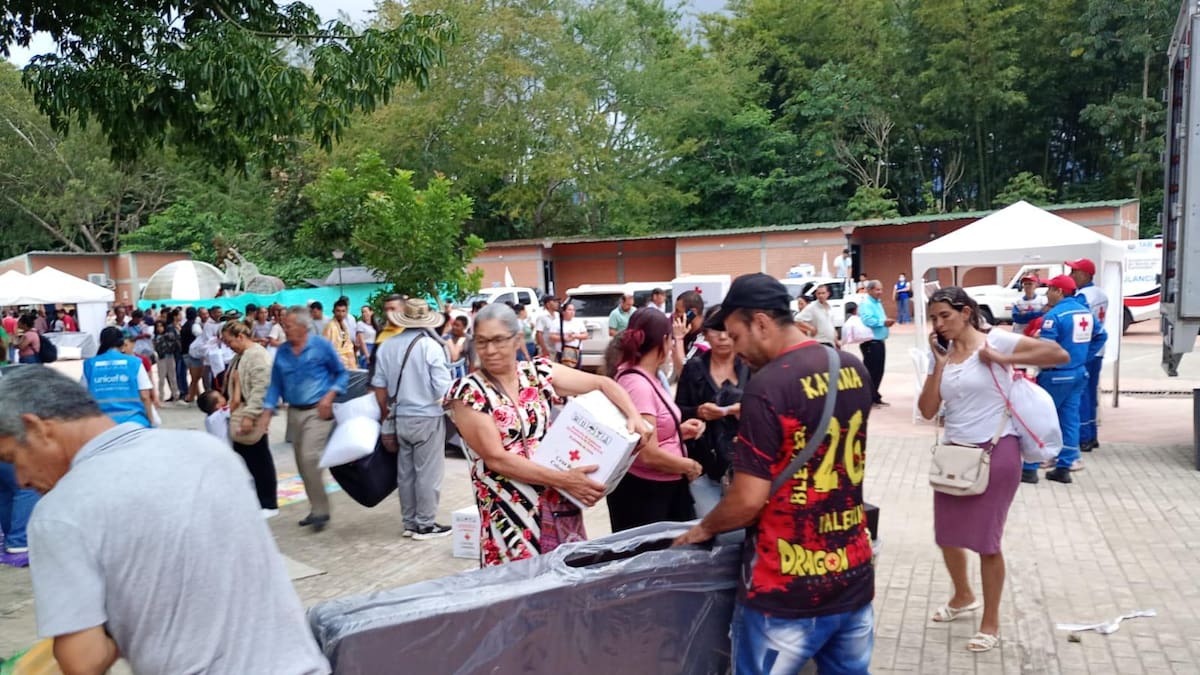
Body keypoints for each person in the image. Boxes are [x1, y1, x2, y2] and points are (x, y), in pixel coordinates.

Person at [0, 367, 330, 675]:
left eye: (12, 459)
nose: (21, 478)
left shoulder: (59, 513)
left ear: (37, 427)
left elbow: (82, 660)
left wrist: (123, 609)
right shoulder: (207, 451)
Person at [673, 273, 875, 675]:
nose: (736, 349)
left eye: (737, 334)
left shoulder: (768, 386)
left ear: (761, 322)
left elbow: (748, 501)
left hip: (785, 585)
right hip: (852, 574)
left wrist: (703, 529)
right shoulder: (852, 368)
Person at [918, 287, 1068, 654]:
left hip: (997, 450)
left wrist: (1000, 357)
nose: (939, 324)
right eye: (934, 318)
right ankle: (963, 595)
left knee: (986, 542)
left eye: (945, 316)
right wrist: (938, 365)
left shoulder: (996, 338)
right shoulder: (943, 352)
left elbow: (1058, 354)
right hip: (955, 456)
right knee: (947, 535)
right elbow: (926, 410)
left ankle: (991, 621)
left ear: (966, 312)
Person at [446, 303, 648, 566]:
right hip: (510, 513)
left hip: (558, 503)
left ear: (518, 339)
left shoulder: (536, 374)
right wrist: (565, 479)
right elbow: (497, 459)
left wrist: (634, 416)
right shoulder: (469, 393)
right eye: (482, 342)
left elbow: (602, 383)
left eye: (498, 340)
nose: (490, 350)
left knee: (564, 582)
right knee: (519, 592)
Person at [610, 308, 706, 532]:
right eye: (672, 339)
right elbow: (647, 453)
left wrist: (678, 431)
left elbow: (650, 431)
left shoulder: (643, 376)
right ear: (665, 340)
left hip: (657, 490)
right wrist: (688, 466)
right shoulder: (638, 385)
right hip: (649, 496)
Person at [370, 299, 453, 540]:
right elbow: (442, 388)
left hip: (398, 417)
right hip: (427, 417)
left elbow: (379, 387)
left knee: (405, 473)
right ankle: (426, 524)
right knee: (428, 472)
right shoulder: (430, 347)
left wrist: (387, 419)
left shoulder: (387, 345)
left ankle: (409, 522)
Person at [262, 306, 348, 531]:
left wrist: (330, 396)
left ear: (302, 327)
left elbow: (342, 373)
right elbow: (275, 384)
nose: (284, 329)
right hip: (294, 412)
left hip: (318, 411)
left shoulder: (321, 346)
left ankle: (321, 511)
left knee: (310, 458)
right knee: (302, 464)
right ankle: (316, 508)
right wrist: (267, 409)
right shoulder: (283, 351)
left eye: (288, 326)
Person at [674, 304, 750, 517]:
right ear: (705, 334)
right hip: (705, 466)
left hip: (747, 468)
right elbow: (678, 411)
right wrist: (698, 411)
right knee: (709, 532)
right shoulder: (694, 368)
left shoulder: (751, 366)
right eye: (716, 330)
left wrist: (746, 410)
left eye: (728, 330)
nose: (723, 337)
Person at [1023, 275, 1093, 484]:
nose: (1046, 293)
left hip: (1056, 375)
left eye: (1050, 289)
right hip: (1078, 372)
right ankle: (1064, 466)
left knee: (1039, 418)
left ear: (1059, 292)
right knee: (1069, 420)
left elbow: (1045, 348)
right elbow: (1101, 335)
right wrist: (1082, 358)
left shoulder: (1054, 316)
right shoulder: (1085, 313)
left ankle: (1030, 468)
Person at [222, 320, 280, 516]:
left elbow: (261, 388)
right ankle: (258, 499)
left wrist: (250, 415)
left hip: (252, 413)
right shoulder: (241, 356)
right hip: (242, 411)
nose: (227, 345)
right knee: (248, 458)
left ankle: (269, 503)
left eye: (229, 341)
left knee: (259, 458)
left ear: (241, 337)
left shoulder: (256, 356)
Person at [1067, 258, 1108, 453]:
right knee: (1091, 394)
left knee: (1081, 394)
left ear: (1084, 274)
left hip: (1085, 350)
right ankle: (1092, 435)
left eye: (1074, 272)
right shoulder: (1100, 293)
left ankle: (1084, 438)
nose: (1071, 276)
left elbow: (1076, 319)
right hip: (1098, 351)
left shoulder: (1083, 296)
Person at [83, 327, 153, 427]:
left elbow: (82, 395)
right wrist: (151, 420)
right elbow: (145, 396)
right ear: (121, 343)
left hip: (100, 424)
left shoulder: (90, 364)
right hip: (133, 422)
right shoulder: (134, 362)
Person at [858, 280, 895, 407]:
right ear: (869, 290)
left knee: (879, 370)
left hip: (879, 340)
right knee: (871, 371)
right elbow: (867, 320)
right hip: (871, 342)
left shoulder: (877, 302)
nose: (880, 292)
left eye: (881, 289)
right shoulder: (867, 303)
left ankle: (875, 396)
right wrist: (883, 322)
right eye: (877, 290)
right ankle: (867, 398)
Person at [0, 454, 38, 565]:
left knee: (5, 493)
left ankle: (11, 540)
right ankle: (19, 542)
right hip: (14, 448)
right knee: (28, 488)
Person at [322, 297, 358, 371]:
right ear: (333, 311)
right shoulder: (330, 327)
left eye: (343, 311)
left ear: (346, 312)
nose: (341, 314)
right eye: (338, 311)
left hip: (348, 362)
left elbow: (348, 345)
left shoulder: (344, 325)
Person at [152, 319, 181, 403]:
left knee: (172, 377)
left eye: (161, 326)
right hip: (161, 358)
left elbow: (174, 339)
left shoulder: (168, 335)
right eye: (157, 326)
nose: (159, 328)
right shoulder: (156, 337)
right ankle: (161, 396)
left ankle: (175, 395)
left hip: (170, 356)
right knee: (161, 378)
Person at [443, 315, 475, 380]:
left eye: (457, 326)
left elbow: (472, 360)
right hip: (447, 370)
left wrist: (470, 377)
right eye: (454, 324)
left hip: (462, 370)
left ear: (464, 327)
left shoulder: (469, 339)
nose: (454, 327)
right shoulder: (447, 336)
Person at [558, 302, 588, 366]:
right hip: (562, 351)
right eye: (569, 310)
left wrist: (575, 336)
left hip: (576, 351)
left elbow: (585, 335)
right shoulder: (557, 322)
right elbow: (552, 337)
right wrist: (565, 338)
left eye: (573, 310)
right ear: (563, 311)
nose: (572, 312)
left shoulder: (578, 322)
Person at [534, 296, 561, 360]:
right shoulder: (542, 316)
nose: (557, 304)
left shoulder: (558, 315)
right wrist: (544, 349)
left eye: (557, 302)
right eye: (554, 302)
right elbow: (539, 333)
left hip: (557, 348)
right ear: (548, 304)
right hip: (547, 348)